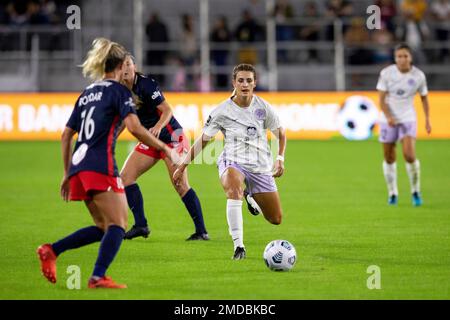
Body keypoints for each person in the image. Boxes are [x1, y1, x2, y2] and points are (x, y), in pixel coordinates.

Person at [36, 38, 178, 289]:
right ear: (122, 64)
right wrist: (165, 147)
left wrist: (67, 173)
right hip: (100, 165)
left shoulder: (87, 93)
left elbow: (66, 135)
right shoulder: (119, 92)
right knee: (118, 225)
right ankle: (97, 276)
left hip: (79, 166)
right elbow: (135, 128)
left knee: (104, 226)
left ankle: (52, 251)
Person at [173, 64, 286, 260]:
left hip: (259, 166)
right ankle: (239, 246)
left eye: (249, 80)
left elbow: (281, 134)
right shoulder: (221, 111)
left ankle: (250, 193)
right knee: (233, 190)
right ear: (234, 83)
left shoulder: (263, 107)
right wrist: (183, 166)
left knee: (275, 219)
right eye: (240, 80)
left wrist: (280, 158)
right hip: (232, 161)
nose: (245, 84)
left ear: (255, 83)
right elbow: (203, 140)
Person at [120, 55, 209, 241]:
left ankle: (201, 231)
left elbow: (167, 110)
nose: (126, 68)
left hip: (172, 137)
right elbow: (124, 120)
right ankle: (141, 225)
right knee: (125, 178)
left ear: (135, 66)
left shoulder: (146, 85)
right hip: (151, 140)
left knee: (180, 184)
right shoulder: (120, 91)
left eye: (129, 64)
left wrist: (159, 126)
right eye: (122, 65)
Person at [376, 43, 431, 206]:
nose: (402, 59)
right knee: (389, 157)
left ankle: (415, 190)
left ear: (410, 58)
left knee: (409, 155)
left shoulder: (419, 76)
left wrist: (427, 119)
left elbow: (424, 97)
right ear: (395, 58)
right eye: (399, 56)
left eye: (405, 56)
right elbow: (381, 98)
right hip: (388, 120)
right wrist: (388, 116)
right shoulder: (386, 74)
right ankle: (392, 192)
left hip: (407, 118)